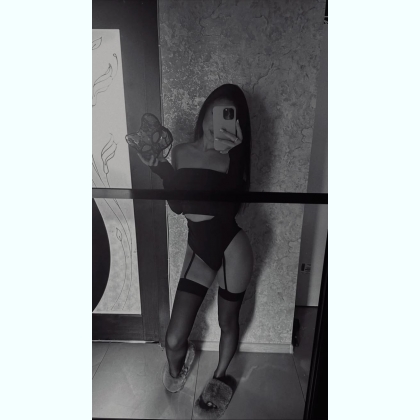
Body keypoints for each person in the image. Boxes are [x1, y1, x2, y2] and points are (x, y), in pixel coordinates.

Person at [136, 84, 253, 416]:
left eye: (227, 117)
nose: (217, 124)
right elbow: (178, 205)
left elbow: (230, 208)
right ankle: (180, 363)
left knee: (227, 321)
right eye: (215, 114)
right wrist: (159, 167)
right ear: (205, 114)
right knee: (174, 339)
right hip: (200, 247)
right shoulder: (182, 152)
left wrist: (235, 156)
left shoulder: (232, 158)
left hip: (233, 247)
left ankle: (219, 377)